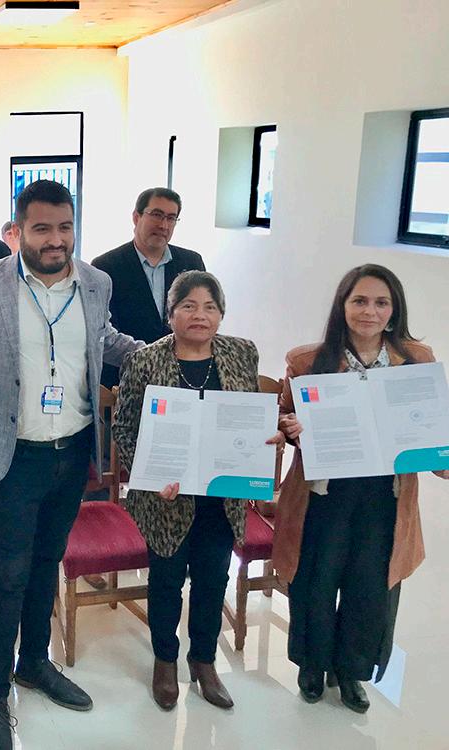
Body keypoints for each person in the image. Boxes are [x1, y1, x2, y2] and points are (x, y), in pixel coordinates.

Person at [0, 180, 143, 750]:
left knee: (48, 562)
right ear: (18, 232)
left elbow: (104, 339)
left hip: (74, 449)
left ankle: (34, 661)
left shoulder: (96, 282)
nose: (55, 239)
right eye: (42, 229)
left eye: (64, 227)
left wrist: (164, 352)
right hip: (15, 455)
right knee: (9, 573)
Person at [273, 264, 449, 713]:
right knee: (315, 582)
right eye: (360, 301)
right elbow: (285, 418)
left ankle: (351, 671)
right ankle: (313, 665)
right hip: (324, 495)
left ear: (393, 311)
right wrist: (292, 428)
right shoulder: (306, 361)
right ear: (343, 306)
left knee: (369, 587)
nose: (369, 311)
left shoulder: (417, 360)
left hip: (384, 497)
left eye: (381, 302)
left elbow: (430, 426)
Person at [114, 270, 283, 711]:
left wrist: (266, 438)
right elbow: (124, 429)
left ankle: (203, 661)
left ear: (221, 314)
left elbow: (251, 416)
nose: (199, 315)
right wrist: (151, 476)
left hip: (222, 496)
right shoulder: (144, 361)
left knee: (213, 578)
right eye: (188, 306)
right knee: (167, 581)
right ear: (170, 313)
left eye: (210, 307)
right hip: (166, 497)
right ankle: (165, 659)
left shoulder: (241, 353)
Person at [91, 187, 206, 387]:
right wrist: (152, 361)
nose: (163, 225)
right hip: (124, 378)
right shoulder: (105, 266)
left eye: (171, 218)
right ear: (136, 217)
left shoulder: (191, 262)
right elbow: (105, 332)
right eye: (157, 215)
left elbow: (201, 317)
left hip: (180, 377)